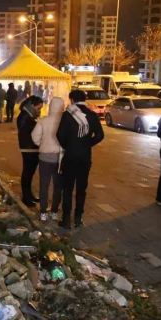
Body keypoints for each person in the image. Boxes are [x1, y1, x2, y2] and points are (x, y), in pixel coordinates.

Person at [56, 89, 104, 228]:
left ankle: (66, 219)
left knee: (67, 188)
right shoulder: (92, 115)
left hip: (70, 157)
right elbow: (100, 135)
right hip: (85, 157)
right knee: (81, 188)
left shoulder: (67, 115)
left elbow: (59, 135)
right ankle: (78, 218)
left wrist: (68, 145)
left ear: (72, 100)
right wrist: (87, 144)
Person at [32, 96, 64, 222]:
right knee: (58, 186)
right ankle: (54, 211)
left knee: (44, 185)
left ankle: (43, 212)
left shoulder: (43, 121)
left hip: (44, 157)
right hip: (60, 158)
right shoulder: (64, 121)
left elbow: (35, 136)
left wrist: (41, 144)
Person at [17, 96, 44, 207]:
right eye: (38, 108)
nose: (39, 111)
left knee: (30, 173)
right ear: (32, 105)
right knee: (27, 173)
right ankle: (26, 197)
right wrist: (37, 126)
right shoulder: (24, 116)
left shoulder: (28, 115)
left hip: (31, 148)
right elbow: (25, 131)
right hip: (28, 148)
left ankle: (29, 195)